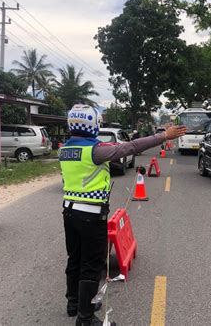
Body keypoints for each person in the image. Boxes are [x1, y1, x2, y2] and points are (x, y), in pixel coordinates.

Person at [59, 104, 186, 326]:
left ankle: (75, 304)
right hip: (91, 215)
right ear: (93, 125)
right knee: (92, 264)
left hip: (70, 212)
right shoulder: (94, 151)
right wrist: (163, 136)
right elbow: (131, 147)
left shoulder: (65, 150)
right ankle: (85, 318)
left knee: (75, 259)